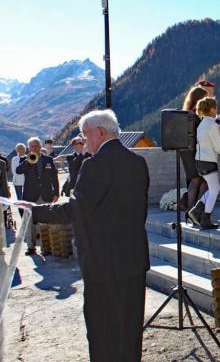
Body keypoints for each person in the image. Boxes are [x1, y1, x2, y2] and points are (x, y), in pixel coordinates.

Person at [17, 110, 150, 362]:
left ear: (100, 132)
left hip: (103, 263)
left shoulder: (95, 165)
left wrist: (36, 211)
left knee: (103, 334)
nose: (83, 139)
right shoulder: (137, 162)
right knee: (130, 331)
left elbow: (76, 210)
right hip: (133, 258)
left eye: (85, 134)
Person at [16, 137, 59, 255]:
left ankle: (46, 247)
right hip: (30, 196)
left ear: (40, 147)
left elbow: (54, 178)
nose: (34, 148)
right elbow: (18, 171)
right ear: (29, 148)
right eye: (32, 146)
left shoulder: (48, 160)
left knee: (45, 222)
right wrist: (28, 161)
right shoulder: (25, 160)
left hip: (45, 195)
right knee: (30, 222)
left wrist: (56, 193)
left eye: (36, 146)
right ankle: (31, 247)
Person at [188, 97, 220, 229]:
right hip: (209, 161)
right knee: (215, 189)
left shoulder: (202, 124)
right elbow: (218, 145)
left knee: (214, 188)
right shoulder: (212, 125)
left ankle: (196, 210)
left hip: (199, 160)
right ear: (213, 109)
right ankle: (205, 218)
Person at [180, 86, 209, 219]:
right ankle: (194, 210)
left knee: (196, 180)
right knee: (199, 180)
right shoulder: (195, 115)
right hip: (194, 152)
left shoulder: (186, 113)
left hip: (186, 151)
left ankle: (192, 209)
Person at [11, 143, 26, 216]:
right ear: (17, 150)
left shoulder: (29, 158)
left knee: (27, 200)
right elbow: (14, 171)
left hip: (27, 182)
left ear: (25, 149)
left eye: (22, 149)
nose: (20, 150)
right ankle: (22, 216)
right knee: (20, 200)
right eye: (19, 149)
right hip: (17, 182)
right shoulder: (14, 159)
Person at [0, 158, 10, 226]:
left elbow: (4, 178)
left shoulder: (2, 162)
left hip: (1, 188)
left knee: (3, 208)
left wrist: (7, 192)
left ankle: (4, 223)